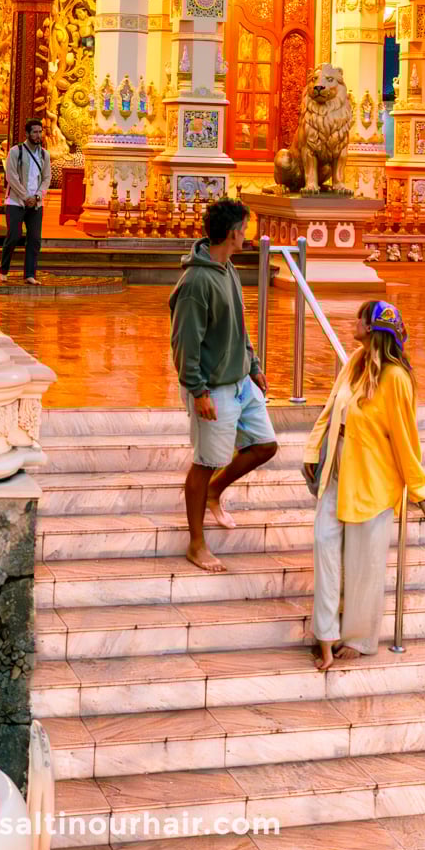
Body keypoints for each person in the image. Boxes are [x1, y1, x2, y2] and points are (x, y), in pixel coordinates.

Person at [303, 298, 425, 671]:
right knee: (325, 551)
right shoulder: (354, 364)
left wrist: (418, 488)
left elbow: (406, 439)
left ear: (374, 328)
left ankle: (358, 638)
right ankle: (325, 636)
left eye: (360, 318)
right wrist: (312, 450)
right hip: (336, 474)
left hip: (373, 484)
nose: (352, 323)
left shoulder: (396, 380)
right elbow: (330, 411)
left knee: (364, 566)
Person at [168, 197, 277, 573]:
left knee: (265, 445)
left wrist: (253, 363)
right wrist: (198, 392)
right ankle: (196, 543)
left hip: (240, 382)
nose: (247, 236)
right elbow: (184, 343)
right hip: (212, 388)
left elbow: (239, 324)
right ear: (231, 234)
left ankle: (217, 490)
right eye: (244, 230)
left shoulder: (226, 267)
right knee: (204, 463)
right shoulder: (197, 281)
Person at [0, 117, 52, 285]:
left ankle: (30, 274)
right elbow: (11, 176)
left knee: (35, 239)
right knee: (14, 236)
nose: (38, 135)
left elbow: (47, 178)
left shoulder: (45, 154)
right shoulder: (16, 151)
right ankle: (3, 268)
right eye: (35, 132)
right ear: (27, 133)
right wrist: (25, 196)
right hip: (16, 202)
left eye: (40, 132)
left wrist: (37, 196)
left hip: (36, 203)